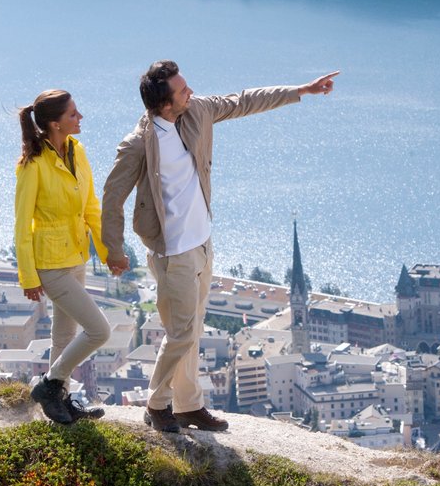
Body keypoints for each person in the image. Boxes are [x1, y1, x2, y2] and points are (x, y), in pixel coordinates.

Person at [102, 61, 338, 433]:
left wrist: (301, 91)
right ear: (164, 104)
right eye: (182, 90)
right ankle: (157, 403)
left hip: (202, 245)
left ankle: (188, 405)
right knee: (180, 334)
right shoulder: (137, 145)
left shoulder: (197, 111)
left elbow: (244, 101)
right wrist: (114, 250)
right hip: (172, 253)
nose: (191, 92)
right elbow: (112, 197)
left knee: (192, 333)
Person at [15, 89, 111, 424]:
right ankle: (49, 385)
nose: (80, 117)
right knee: (99, 330)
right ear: (54, 123)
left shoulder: (77, 151)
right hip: (50, 263)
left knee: (64, 337)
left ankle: (62, 403)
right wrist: (28, 276)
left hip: (76, 255)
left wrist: (108, 250)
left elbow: (91, 207)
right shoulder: (33, 164)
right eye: (73, 114)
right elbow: (22, 225)